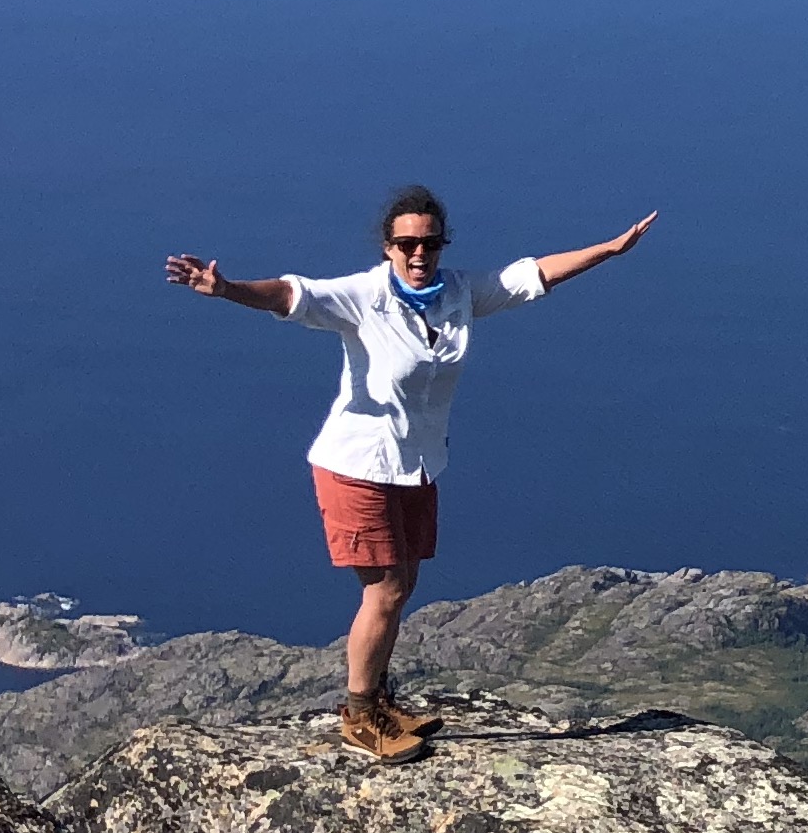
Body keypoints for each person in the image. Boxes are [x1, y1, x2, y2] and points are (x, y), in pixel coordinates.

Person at [167, 184, 656, 762]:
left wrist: (610, 249)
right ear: (387, 246)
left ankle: (377, 697)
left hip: (417, 465)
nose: (418, 253)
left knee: (402, 588)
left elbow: (533, 276)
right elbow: (291, 295)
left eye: (429, 243)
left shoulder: (459, 293)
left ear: (442, 244)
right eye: (406, 244)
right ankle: (359, 715)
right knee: (386, 590)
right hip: (357, 465)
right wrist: (224, 289)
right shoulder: (363, 296)